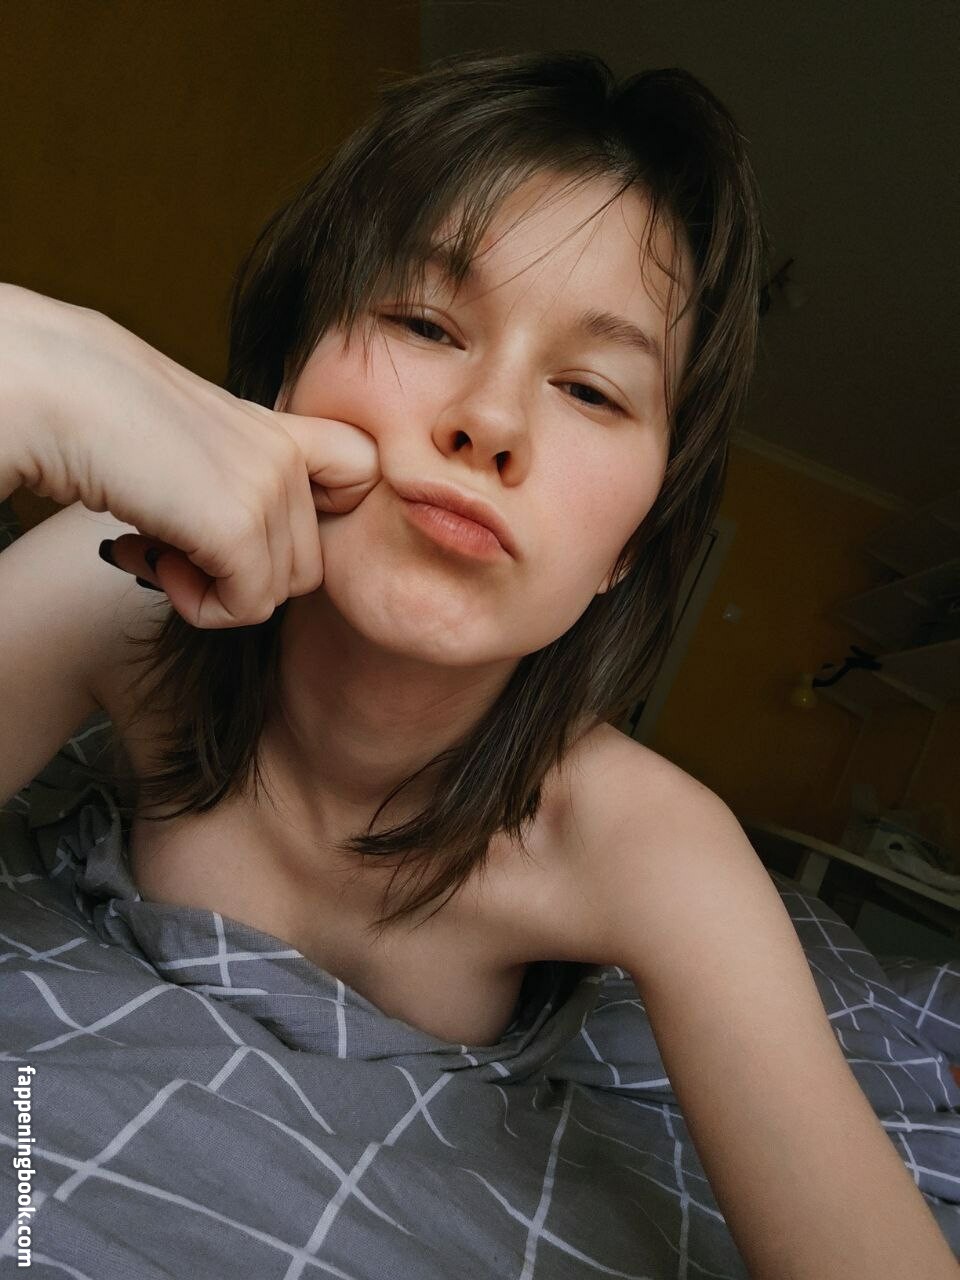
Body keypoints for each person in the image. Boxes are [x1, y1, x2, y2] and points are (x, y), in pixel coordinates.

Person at [1, 51, 955, 1277]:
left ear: (627, 550)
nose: (490, 421)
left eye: (592, 391)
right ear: (285, 369)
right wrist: (27, 371)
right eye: (423, 322)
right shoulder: (112, 587)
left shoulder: (650, 843)